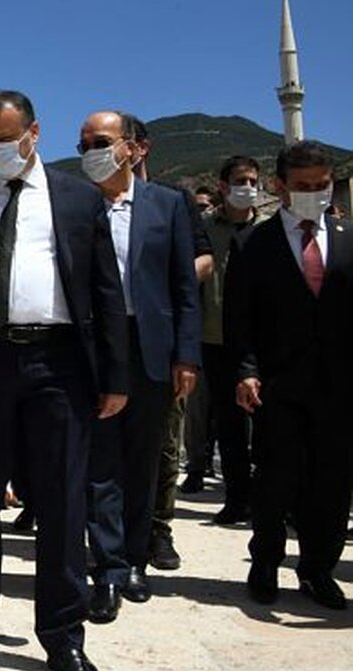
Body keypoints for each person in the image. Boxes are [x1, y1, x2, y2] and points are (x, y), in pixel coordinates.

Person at [0, 90, 127, 671]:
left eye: (4, 139)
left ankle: (63, 634)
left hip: (57, 363)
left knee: (62, 499)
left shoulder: (78, 199)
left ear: (33, 133)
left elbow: (106, 292)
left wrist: (115, 376)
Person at [76, 111, 200, 625]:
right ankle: (106, 569)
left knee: (142, 460)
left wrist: (186, 355)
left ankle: (134, 560)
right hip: (94, 350)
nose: (91, 152)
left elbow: (184, 287)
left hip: (150, 347)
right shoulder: (74, 204)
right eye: (84, 144)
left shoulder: (167, 205)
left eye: (101, 142)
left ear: (131, 147)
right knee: (100, 463)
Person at [226, 140, 352, 611]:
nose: (314, 193)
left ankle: (318, 569)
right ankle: (265, 562)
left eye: (322, 185)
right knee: (275, 479)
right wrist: (246, 371)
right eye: (303, 186)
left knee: (332, 482)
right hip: (278, 383)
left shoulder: (348, 237)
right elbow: (240, 318)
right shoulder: (253, 244)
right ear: (280, 186)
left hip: (339, 387)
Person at [124, 113, 213, 573]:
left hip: (159, 338)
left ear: (141, 147)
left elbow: (202, 261)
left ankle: (158, 527)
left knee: (162, 441)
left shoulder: (174, 201)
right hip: (113, 340)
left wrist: (154, 282)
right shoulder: (92, 200)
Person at [181, 157, 267, 529]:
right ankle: (237, 499)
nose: (247, 187)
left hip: (263, 345)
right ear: (223, 185)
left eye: (252, 181)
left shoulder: (269, 230)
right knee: (228, 427)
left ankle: (275, 501)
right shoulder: (203, 229)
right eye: (240, 180)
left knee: (269, 428)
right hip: (214, 339)